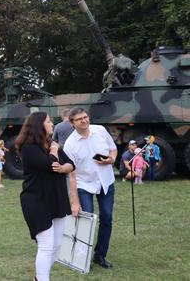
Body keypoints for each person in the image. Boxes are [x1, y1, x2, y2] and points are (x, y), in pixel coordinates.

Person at [17, 111, 77, 281]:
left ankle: (39, 278)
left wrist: (65, 168)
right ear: (39, 125)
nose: (53, 124)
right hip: (36, 200)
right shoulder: (29, 147)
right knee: (46, 245)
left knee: (57, 246)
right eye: (49, 122)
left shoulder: (52, 144)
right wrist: (53, 150)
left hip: (56, 199)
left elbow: (71, 164)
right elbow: (49, 165)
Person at [64, 107, 117, 269]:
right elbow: (71, 175)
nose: (84, 121)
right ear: (72, 123)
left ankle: (100, 256)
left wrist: (111, 160)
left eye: (86, 117)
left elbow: (113, 149)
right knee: (86, 221)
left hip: (106, 182)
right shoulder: (70, 145)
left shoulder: (100, 130)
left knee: (107, 218)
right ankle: (82, 258)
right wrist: (74, 201)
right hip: (84, 185)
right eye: (80, 119)